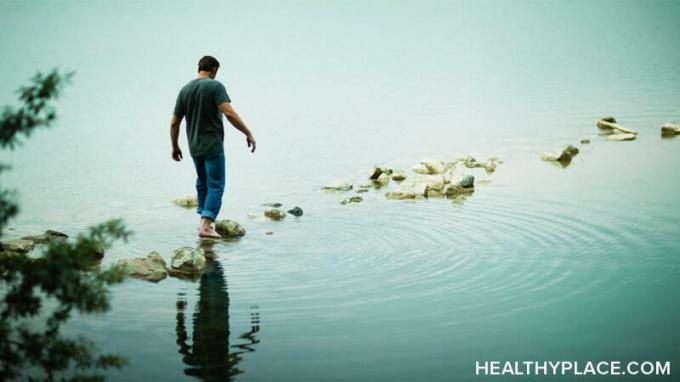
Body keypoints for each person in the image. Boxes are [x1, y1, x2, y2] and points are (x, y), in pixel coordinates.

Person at [170, 56, 256, 239]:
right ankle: (206, 225)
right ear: (214, 69)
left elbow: (174, 123)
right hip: (212, 145)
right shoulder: (215, 87)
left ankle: (203, 222)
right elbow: (229, 112)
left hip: (194, 147)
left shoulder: (185, 90)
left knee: (202, 183)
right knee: (216, 184)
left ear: (199, 68)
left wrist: (175, 146)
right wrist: (247, 132)